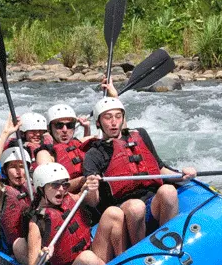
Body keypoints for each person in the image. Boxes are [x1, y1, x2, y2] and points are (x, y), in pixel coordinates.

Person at [82, 88, 196, 246]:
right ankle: (141, 250)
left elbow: (160, 168)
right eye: (108, 118)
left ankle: (171, 242)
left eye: (117, 116)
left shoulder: (140, 135)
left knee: (168, 191)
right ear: (98, 123)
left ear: (123, 119)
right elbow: (92, 202)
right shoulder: (94, 154)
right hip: (124, 210)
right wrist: (91, 188)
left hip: (152, 202)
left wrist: (181, 176)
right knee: (136, 207)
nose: (113, 122)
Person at [27, 163, 125, 265]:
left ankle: (123, 262)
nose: (61, 189)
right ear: (41, 188)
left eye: (64, 185)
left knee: (113, 213)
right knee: (87, 258)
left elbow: (91, 201)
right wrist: (40, 258)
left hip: (92, 253)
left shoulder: (68, 198)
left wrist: (89, 188)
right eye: (55, 185)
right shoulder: (36, 223)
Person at [0, 115, 33, 265]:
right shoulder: (1, 195)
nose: (19, 172)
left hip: (38, 242)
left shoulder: (34, 187)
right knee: (20, 244)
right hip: (17, 249)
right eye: (13, 167)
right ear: (5, 171)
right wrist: (5, 133)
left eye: (22, 166)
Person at [36, 104, 94, 192]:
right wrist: (82, 180)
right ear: (49, 129)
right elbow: (51, 189)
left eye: (70, 125)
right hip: (63, 200)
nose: (65, 130)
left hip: (88, 194)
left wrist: (87, 127)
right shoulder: (45, 154)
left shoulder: (77, 143)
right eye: (59, 125)